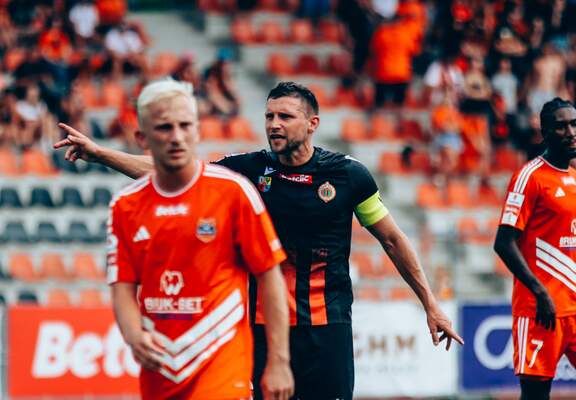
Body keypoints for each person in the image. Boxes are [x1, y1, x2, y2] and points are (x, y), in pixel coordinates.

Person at [54, 81, 463, 400]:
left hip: (327, 329)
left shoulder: (348, 175)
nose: (274, 124)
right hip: (262, 329)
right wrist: (100, 154)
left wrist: (430, 303)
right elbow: (173, 172)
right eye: (269, 116)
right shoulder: (247, 171)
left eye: (285, 116)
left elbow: (391, 239)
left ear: (312, 124)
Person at [101, 80, 294, 400]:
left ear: (198, 131)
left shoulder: (233, 192)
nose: (176, 137)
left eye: (185, 126)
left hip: (221, 362)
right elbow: (122, 285)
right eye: (164, 128)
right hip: (161, 366)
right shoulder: (125, 206)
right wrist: (134, 335)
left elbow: (270, 275)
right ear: (142, 138)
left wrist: (279, 360)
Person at [494, 97, 576, 400]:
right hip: (542, 311)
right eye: (561, 126)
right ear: (545, 132)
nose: (570, 132)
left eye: (574, 124)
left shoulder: (574, 177)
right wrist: (540, 292)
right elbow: (503, 242)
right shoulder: (529, 177)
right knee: (536, 395)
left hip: (573, 307)